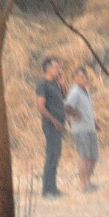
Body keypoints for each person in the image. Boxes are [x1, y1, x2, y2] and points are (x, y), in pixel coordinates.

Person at [64, 64, 100, 192]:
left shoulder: (86, 91)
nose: (84, 79)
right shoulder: (75, 92)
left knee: (93, 157)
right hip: (81, 130)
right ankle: (82, 184)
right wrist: (75, 114)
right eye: (81, 77)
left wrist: (94, 123)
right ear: (75, 78)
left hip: (90, 128)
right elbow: (67, 107)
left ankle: (88, 182)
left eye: (85, 77)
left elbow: (87, 109)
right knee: (84, 157)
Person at [35, 56, 67, 198]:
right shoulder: (43, 84)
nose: (58, 69)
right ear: (48, 68)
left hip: (59, 124)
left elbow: (64, 97)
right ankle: (46, 190)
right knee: (51, 155)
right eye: (56, 67)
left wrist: (62, 83)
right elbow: (41, 107)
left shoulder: (54, 83)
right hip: (50, 125)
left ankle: (53, 188)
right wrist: (54, 121)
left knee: (56, 154)